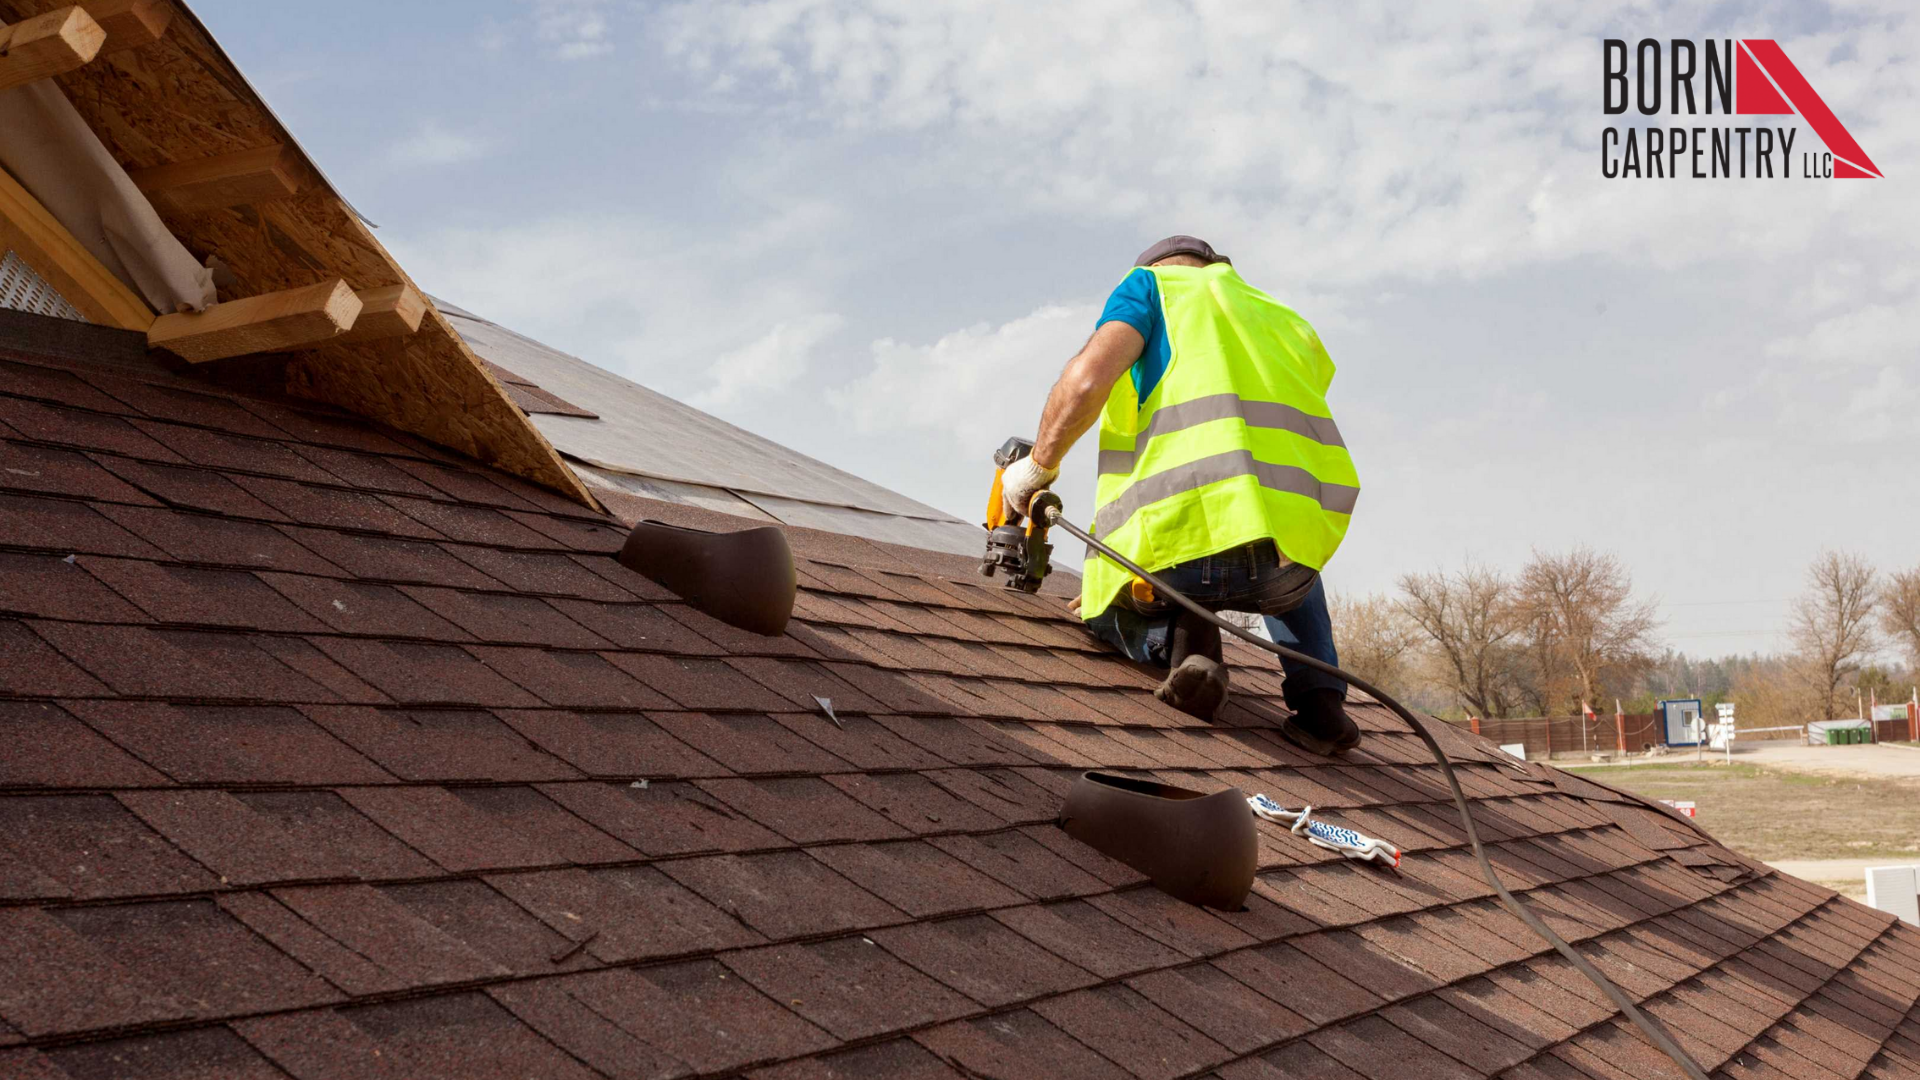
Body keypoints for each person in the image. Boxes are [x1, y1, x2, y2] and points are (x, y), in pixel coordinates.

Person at [1000, 236, 1362, 754]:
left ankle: (1192, 649)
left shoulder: (1152, 289)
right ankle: (1322, 704)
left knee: (1104, 607)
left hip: (1184, 554)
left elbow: (1084, 384)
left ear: (1159, 268)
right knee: (1282, 546)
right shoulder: (1280, 316)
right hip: (1291, 562)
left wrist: (1036, 468)